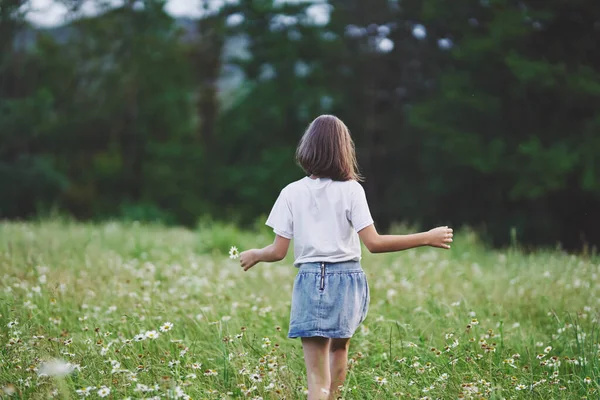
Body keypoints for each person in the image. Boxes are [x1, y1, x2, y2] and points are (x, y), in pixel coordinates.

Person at [239, 115, 453, 400]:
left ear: (307, 148)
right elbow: (374, 244)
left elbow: (278, 252)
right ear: (344, 150)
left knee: (317, 380)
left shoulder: (291, 192)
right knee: (339, 349)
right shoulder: (352, 190)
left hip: (311, 278)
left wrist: (256, 254)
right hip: (348, 281)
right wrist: (426, 237)